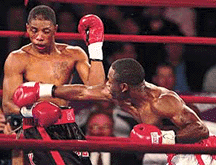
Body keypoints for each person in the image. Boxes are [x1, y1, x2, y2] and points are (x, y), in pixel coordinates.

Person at [13, 58, 213, 164]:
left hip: (196, 150)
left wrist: (162, 139)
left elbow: (200, 130)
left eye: (111, 80)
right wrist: (44, 89)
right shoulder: (116, 93)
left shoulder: (162, 101)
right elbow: (83, 92)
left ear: (124, 86)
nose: (106, 85)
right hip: (172, 153)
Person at [2, 4, 106, 165]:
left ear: (55, 29)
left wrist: (95, 48)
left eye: (46, 31)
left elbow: (98, 90)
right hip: (36, 128)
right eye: (34, 30)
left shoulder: (73, 54)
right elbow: (8, 105)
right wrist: (33, 112)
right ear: (27, 28)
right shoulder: (18, 59)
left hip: (68, 124)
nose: (39, 37)